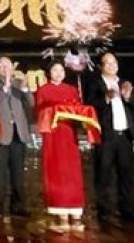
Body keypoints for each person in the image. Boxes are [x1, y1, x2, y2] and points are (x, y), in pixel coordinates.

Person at [35, 61, 99, 222]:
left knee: (72, 170)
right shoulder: (43, 90)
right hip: (53, 135)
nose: (58, 73)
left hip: (69, 135)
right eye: (54, 70)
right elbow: (39, 114)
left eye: (61, 70)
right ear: (49, 73)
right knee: (56, 169)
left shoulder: (71, 90)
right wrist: (54, 111)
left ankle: (75, 205)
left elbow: (78, 111)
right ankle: (59, 207)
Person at [84, 51, 134, 223]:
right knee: (103, 173)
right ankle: (104, 210)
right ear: (101, 66)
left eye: (114, 63)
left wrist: (129, 97)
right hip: (106, 135)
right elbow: (89, 105)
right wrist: (106, 98)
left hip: (124, 135)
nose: (112, 66)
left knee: (126, 174)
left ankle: (126, 208)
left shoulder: (124, 83)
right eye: (107, 63)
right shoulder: (95, 84)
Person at [0, 56, 34, 218]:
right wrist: (4, 88)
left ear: (13, 67)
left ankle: (18, 205)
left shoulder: (18, 84)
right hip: (0, 134)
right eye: (2, 66)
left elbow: (31, 103)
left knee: (18, 172)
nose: (5, 69)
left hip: (18, 133)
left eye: (8, 65)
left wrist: (26, 90)